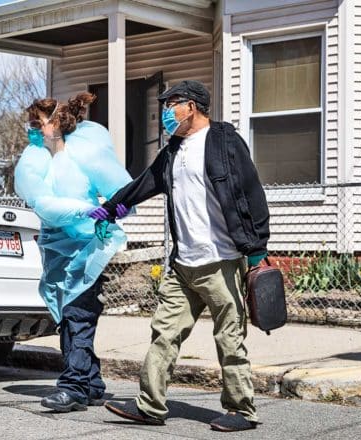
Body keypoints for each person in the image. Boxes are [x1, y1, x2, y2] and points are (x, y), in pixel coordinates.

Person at [96, 80, 270, 432]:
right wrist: (114, 207)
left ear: (191, 106)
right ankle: (150, 406)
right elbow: (146, 181)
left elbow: (251, 192)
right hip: (182, 263)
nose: (165, 111)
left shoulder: (224, 142)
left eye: (171, 103)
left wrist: (256, 250)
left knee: (229, 338)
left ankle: (241, 410)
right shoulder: (174, 149)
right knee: (164, 333)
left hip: (222, 259)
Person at [14, 92, 131, 413]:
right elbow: (44, 205)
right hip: (55, 249)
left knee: (78, 315)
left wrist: (110, 212)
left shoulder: (84, 158)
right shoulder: (37, 160)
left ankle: (74, 386)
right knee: (67, 316)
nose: (33, 128)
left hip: (86, 250)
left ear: (58, 123)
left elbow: (123, 194)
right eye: (31, 123)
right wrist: (87, 210)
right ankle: (91, 382)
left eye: (38, 122)